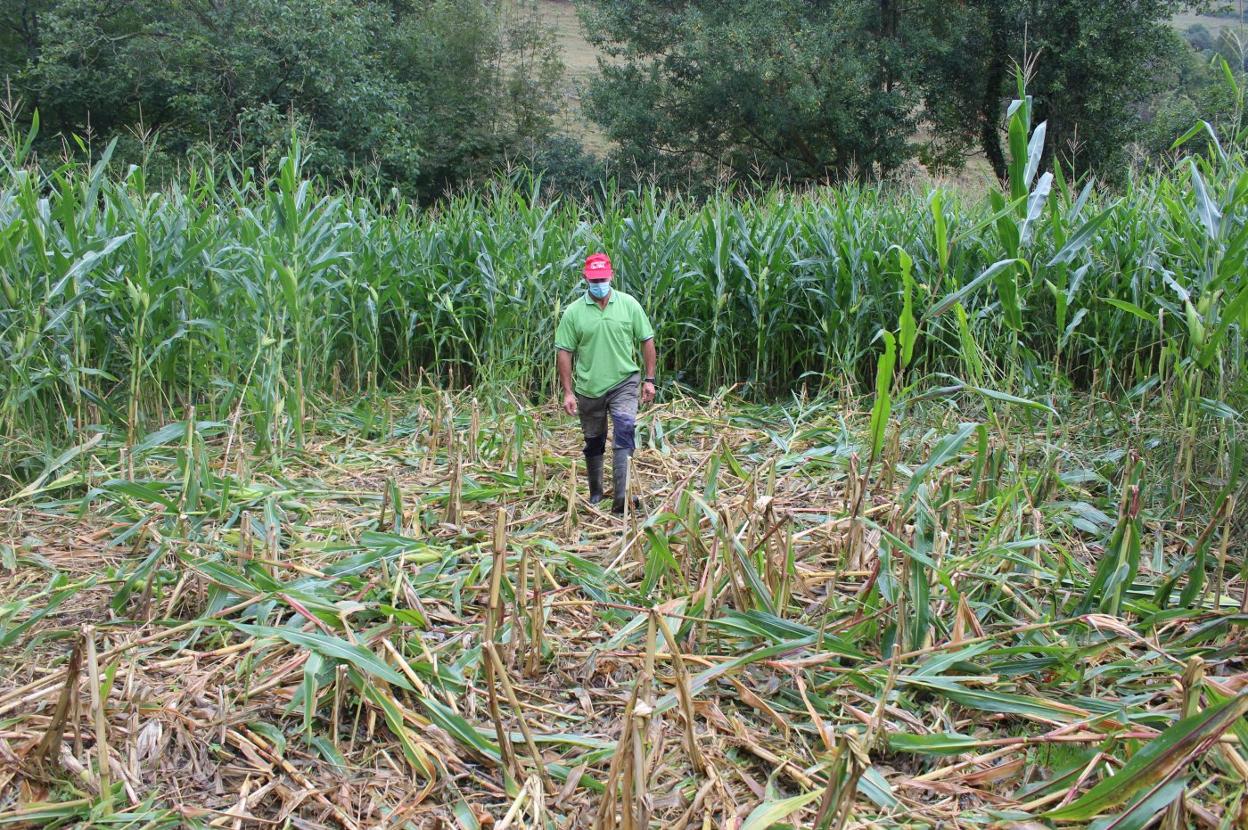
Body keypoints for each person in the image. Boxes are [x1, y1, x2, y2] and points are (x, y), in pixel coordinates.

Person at [555, 252, 657, 514]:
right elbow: (564, 351)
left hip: (624, 382)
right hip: (589, 388)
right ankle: (596, 494)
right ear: (585, 278)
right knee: (594, 440)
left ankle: (621, 500)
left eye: (602, 278)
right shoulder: (574, 313)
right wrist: (568, 392)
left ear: (611, 276)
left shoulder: (629, 305)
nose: (599, 283)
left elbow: (647, 339)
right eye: (594, 279)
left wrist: (649, 379)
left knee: (625, 431)